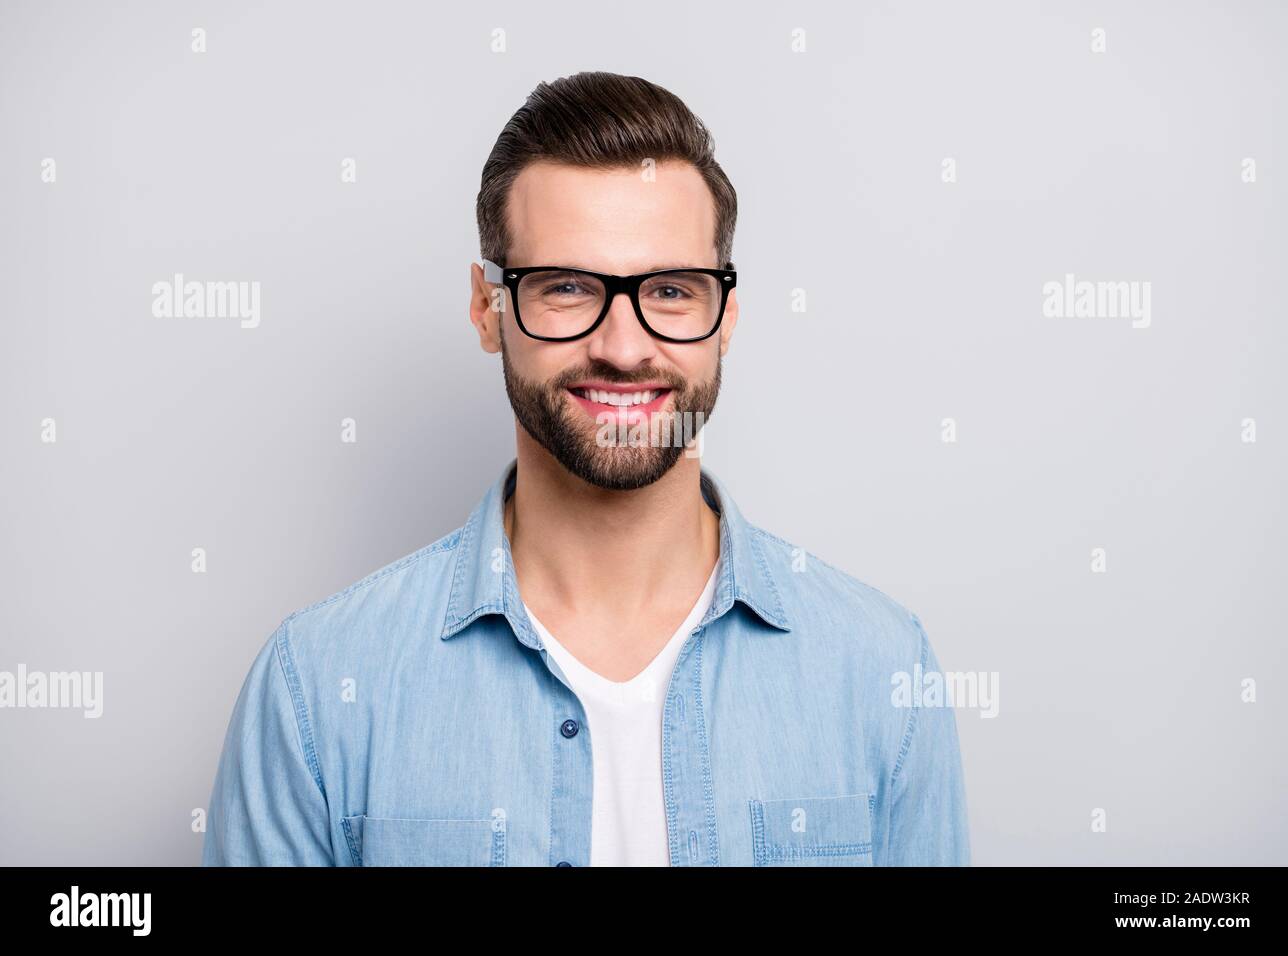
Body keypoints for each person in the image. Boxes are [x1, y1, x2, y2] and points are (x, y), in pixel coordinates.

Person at [202, 70, 970, 867]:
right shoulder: (316, 686)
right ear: (486, 309)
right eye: (567, 287)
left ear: (726, 318)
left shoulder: (883, 669)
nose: (623, 346)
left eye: (671, 290)